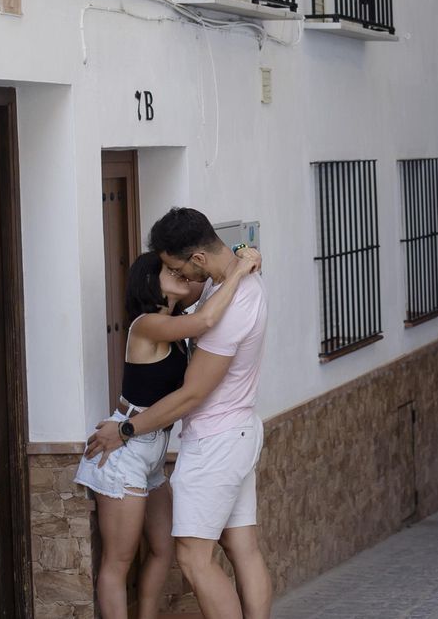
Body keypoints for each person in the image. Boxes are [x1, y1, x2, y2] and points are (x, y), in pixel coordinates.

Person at [86, 207, 272, 619]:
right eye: (170, 271)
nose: (181, 276)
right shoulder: (194, 303)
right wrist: (242, 262)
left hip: (213, 441)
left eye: (178, 267)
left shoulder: (222, 299)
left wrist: (127, 429)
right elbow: (204, 316)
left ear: (198, 259)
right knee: (240, 547)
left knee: (192, 557)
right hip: (219, 435)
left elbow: (192, 394)